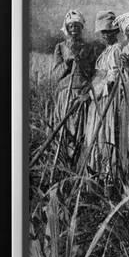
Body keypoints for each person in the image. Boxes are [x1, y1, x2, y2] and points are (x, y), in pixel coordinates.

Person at [51, 9, 95, 161]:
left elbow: (92, 73)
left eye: (77, 26)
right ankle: (63, 164)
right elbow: (55, 74)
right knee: (64, 131)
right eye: (71, 26)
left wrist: (81, 62)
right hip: (65, 95)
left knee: (81, 133)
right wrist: (67, 63)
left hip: (81, 95)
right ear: (67, 28)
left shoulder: (89, 48)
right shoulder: (60, 47)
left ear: (82, 28)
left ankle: (78, 165)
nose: (74, 29)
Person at [84, 11, 124, 175]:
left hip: (108, 99)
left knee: (106, 135)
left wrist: (99, 89)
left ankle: (108, 175)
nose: (105, 35)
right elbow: (99, 75)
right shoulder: (104, 53)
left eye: (109, 32)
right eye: (103, 32)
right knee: (96, 135)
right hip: (98, 99)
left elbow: (113, 77)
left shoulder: (116, 51)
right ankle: (97, 173)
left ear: (116, 32)